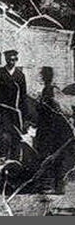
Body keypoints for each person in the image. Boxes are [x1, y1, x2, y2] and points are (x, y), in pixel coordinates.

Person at [35, 67, 72, 195]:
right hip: (55, 129)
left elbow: (52, 110)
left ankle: (52, 185)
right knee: (57, 156)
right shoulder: (53, 90)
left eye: (43, 76)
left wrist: (40, 105)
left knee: (51, 156)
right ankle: (58, 186)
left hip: (52, 129)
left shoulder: (50, 91)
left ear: (44, 77)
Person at [0, 49, 27, 159]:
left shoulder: (20, 75)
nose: (12, 62)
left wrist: (24, 116)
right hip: (3, 111)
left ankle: (15, 160)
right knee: (4, 135)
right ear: (6, 60)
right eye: (10, 60)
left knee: (16, 136)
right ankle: (2, 158)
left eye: (14, 60)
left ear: (16, 60)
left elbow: (23, 96)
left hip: (16, 111)